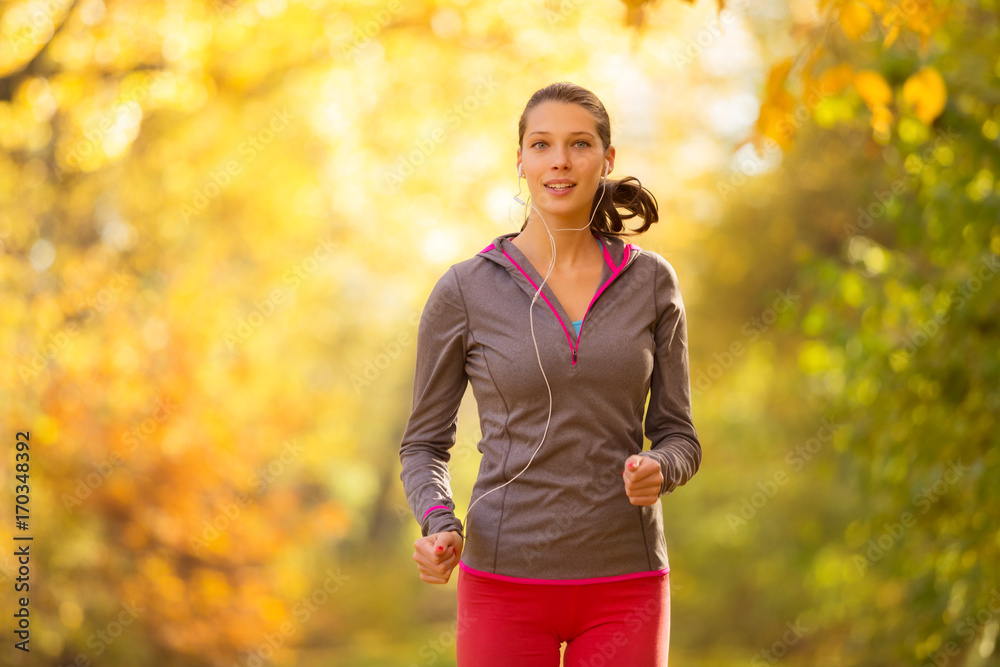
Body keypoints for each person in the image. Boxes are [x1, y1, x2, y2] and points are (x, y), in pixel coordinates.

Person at [398, 81, 701, 666]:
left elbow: (680, 436)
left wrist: (660, 468)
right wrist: (440, 522)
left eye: (579, 144)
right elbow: (424, 443)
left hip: (627, 583)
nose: (559, 160)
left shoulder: (652, 284)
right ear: (520, 160)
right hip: (503, 582)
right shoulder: (465, 289)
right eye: (541, 144)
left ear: (607, 160)